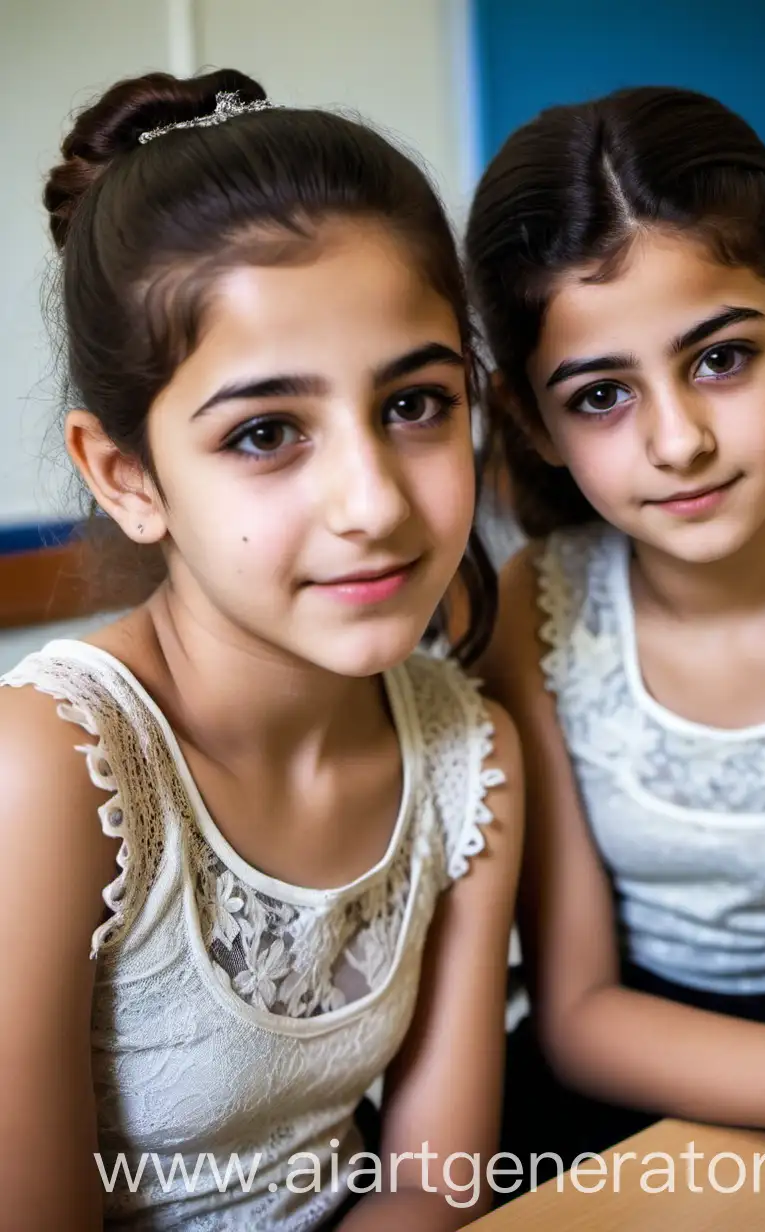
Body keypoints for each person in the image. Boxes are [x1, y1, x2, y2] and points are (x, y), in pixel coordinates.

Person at [0, 69, 524, 1231]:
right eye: (267, 432)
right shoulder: (50, 769)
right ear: (127, 476)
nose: (371, 504)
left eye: (414, 404)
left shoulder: (466, 749)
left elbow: (434, 1181)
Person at [464, 85, 765, 1190]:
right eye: (600, 395)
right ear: (532, 420)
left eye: (719, 357)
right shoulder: (538, 609)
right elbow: (573, 1013)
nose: (677, 439)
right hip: (606, 1102)